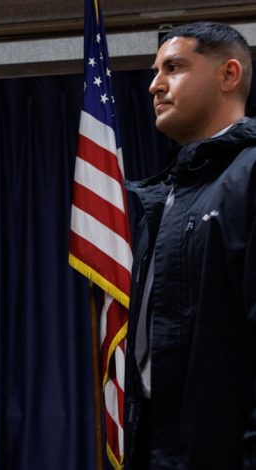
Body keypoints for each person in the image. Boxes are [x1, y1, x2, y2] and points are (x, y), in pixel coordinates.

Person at [124, 22, 256, 469]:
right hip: (159, 443)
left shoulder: (250, 175)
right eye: (155, 69)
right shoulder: (168, 194)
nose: (154, 85)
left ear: (228, 74)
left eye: (173, 67)